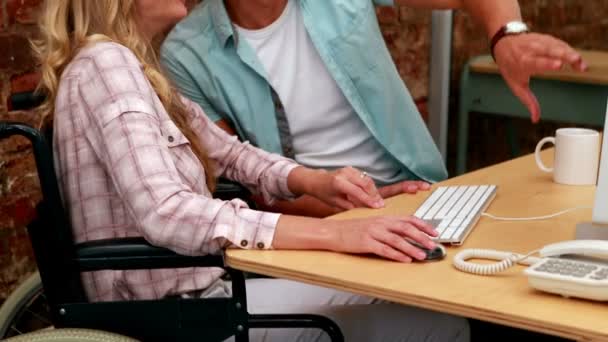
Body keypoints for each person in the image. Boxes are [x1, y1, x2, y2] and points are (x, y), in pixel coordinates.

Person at [35, 1, 469, 341]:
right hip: (183, 315)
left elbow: (230, 154)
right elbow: (166, 211)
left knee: (399, 280)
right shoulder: (106, 65)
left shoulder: (131, 66)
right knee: (442, 324)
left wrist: (317, 181)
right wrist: (338, 234)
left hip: (203, 298)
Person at [161, 0, 587, 217]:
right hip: (322, 222)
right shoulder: (186, 54)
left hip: (417, 192)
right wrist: (362, 209)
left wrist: (506, 37)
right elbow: (246, 183)